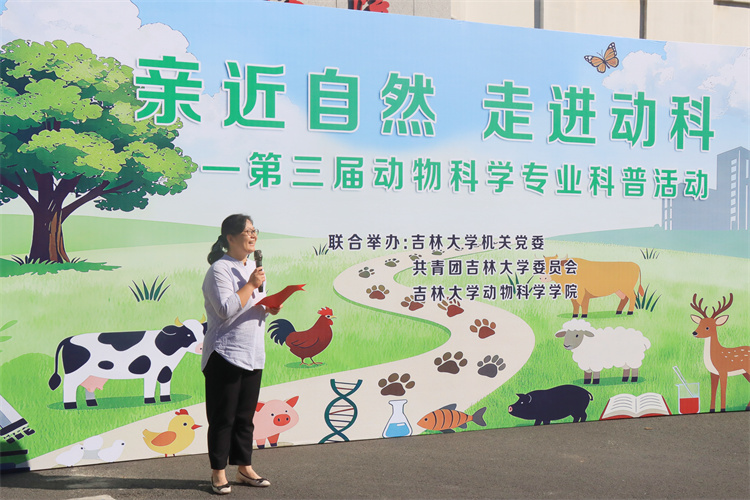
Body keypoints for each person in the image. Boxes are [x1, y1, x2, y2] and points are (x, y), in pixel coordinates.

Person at [202, 214, 281, 495]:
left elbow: (251, 304)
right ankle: (218, 473)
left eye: (254, 230)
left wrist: (270, 306)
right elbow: (225, 309)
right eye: (247, 231)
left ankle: (245, 468)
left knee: (245, 417)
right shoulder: (219, 270)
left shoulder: (253, 268)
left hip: (252, 351)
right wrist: (250, 285)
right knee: (223, 417)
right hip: (225, 353)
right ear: (230, 238)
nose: (253, 235)